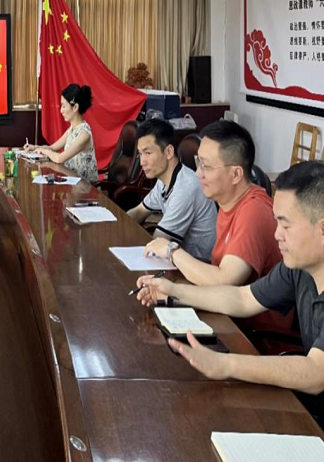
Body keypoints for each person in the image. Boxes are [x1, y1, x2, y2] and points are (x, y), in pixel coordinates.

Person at [134, 161, 324, 420]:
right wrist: (174, 292)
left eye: (286, 226)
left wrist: (226, 364)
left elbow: (315, 373)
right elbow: (243, 298)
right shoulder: (298, 266)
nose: (277, 235)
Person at [142, 120, 289, 333]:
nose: (198, 173)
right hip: (225, 315)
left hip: (252, 335)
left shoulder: (253, 211)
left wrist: (171, 251)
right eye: (198, 162)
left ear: (236, 174)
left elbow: (224, 281)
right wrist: (172, 290)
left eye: (206, 166)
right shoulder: (227, 203)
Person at [127, 119, 217, 261]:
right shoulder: (164, 180)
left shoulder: (185, 188)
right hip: (178, 258)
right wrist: (118, 226)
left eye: (148, 153)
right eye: (140, 154)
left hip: (197, 264)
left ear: (169, 152)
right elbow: (139, 211)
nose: (142, 161)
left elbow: (158, 241)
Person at [24, 83, 98, 183]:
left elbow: (59, 158)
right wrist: (35, 147)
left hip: (85, 187)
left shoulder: (84, 134)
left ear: (75, 107)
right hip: (72, 182)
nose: (61, 111)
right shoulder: (72, 129)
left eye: (63, 106)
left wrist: (43, 150)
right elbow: (52, 148)